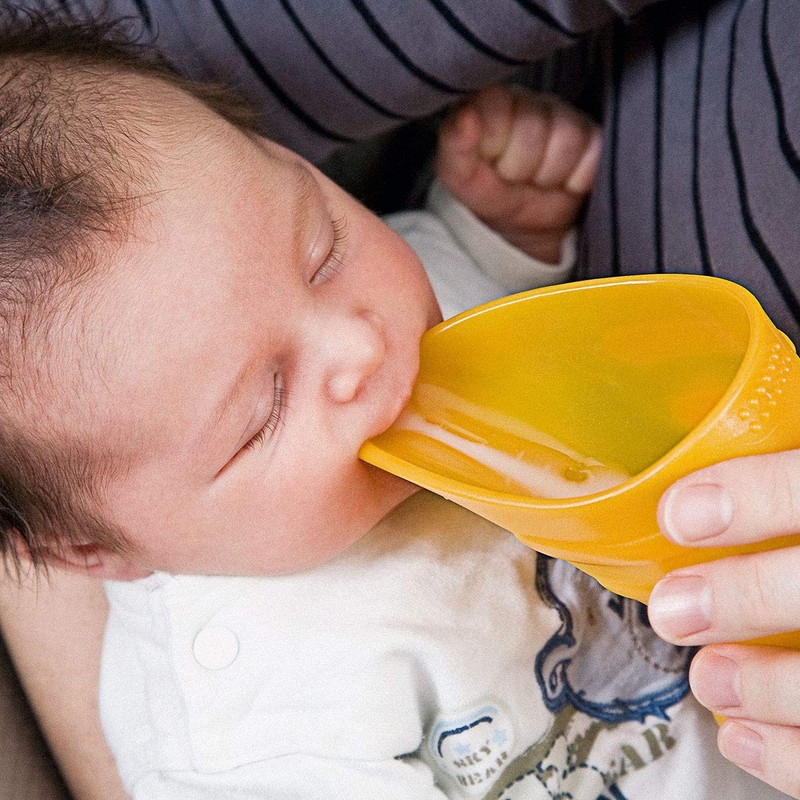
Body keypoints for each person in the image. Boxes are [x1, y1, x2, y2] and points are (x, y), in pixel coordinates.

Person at [2, 0, 800, 797]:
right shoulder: (255, 740)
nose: (363, 346)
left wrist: (506, 231)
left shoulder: (378, 311)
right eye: (266, 409)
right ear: (96, 555)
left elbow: (483, 302)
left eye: (323, 249)